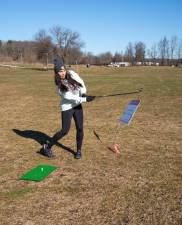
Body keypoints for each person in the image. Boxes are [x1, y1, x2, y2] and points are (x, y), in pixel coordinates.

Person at [40, 57, 95, 159]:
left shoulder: (72, 74)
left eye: (63, 70)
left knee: (80, 128)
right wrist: (85, 99)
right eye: (60, 71)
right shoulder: (59, 86)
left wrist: (83, 93)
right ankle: (46, 146)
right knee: (64, 130)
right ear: (56, 72)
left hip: (77, 105)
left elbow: (81, 82)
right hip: (67, 107)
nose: (62, 73)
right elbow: (71, 98)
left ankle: (78, 151)